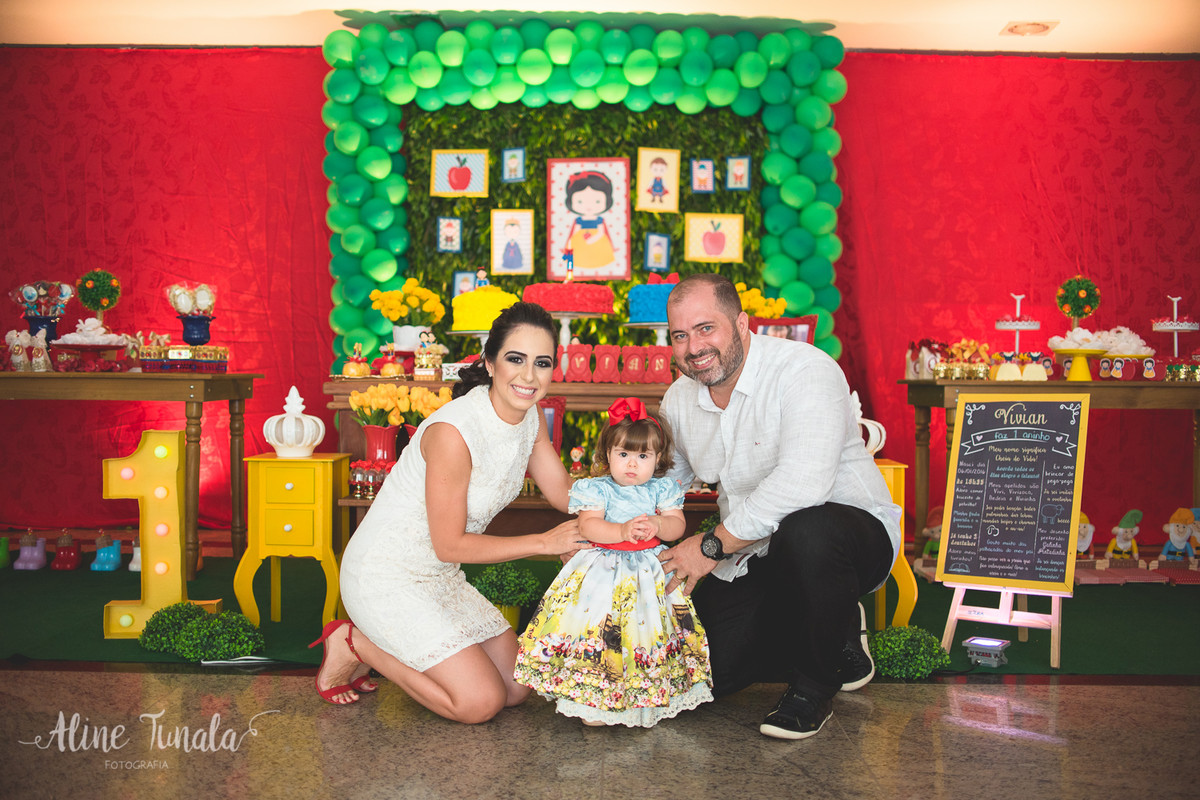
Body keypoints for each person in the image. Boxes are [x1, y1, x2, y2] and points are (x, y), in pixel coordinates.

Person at [313, 302, 586, 723]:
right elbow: (449, 545)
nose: (529, 376)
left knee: (517, 686)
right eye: (516, 359)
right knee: (479, 702)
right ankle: (354, 644)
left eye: (542, 363)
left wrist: (632, 500)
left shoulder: (530, 416)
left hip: (439, 576)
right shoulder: (454, 433)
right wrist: (545, 543)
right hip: (385, 576)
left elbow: (565, 494)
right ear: (490, 363)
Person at [657, 273, 901, 740]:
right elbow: (666, 485)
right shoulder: (679, 400)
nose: (693, 347)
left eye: (706, 328)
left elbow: (803, 484)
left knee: (807, 530)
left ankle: (813, 688)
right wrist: (608, 533)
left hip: (847, 537)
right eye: (680, 335)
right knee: (707, 672)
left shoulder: (805, 370)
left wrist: (709, 547)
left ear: (741, 323)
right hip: (754, 550)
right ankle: (832, 623)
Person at [514, 397, 712, 727]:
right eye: (623, 454)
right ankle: (594, 699)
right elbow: (589, 525)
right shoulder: (597, 489)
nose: (632, 464)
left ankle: (642, 696)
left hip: (648, 572)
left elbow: (677, 525)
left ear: (658, 458)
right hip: (603, 571)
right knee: (599, 632)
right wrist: (620, 530)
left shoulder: (662, 489)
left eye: (643, 456)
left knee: (645, 632)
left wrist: (659, 524)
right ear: (607, 454)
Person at [562, 170, 616, 272]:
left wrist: (593, 239)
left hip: (597, 242)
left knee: (599, 256)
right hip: (580, 242)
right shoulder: (578, 220)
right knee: (579, 257)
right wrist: (571, 242)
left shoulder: (599, 220)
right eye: (580, 201)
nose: (589, 206)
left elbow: (601, 232)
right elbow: (574, 232)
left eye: (597, 201)